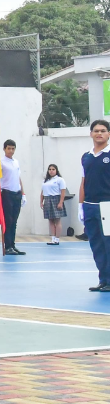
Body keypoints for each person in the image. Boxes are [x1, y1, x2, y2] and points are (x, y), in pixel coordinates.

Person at [81, 119, 110, 292]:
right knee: (96, 245)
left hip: (107, 205)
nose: (99, 133)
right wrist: (81, 205)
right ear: (91, 133)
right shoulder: (86, 156)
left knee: (109, 244)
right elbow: (83, 181)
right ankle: (103, 279)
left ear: (109, 134)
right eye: (96, 130)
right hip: (90, 206)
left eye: (103, 130)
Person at [1, 139, 25, 255]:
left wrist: (23, 193)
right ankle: (7, 246)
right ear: (4, 149)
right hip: (7, 193)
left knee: (14, 221)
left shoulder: (16, 162)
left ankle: (12, 245)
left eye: (13, 148)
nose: (11, 151)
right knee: (8, 221)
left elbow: (19, 178)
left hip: (17, 193)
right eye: (9, 148)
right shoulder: (1, 162)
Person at [41, 163, 68, 245]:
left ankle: (57, 239)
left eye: (53, 169)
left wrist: (61, 202)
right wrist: (41, 202)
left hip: (56, 199)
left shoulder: (60, 180)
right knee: (50, 220)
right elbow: (42, 192)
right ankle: (52, 238)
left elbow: (63, 192)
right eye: (50, 169)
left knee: (57, 220)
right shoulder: (45, 181)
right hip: (47, 200)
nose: (51, 171)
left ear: (56, 170)